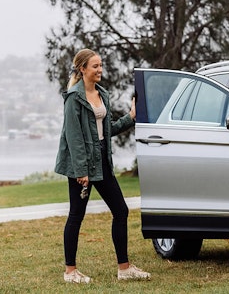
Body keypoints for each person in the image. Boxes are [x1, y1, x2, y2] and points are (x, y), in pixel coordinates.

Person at [55, 48, 150, 283]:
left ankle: (124, 268)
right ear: (82, 69)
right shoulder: (74, 98)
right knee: (76, 215)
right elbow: (74, 138)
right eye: (95, 66)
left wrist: (131, 117)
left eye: (101, 65)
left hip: (102, 161)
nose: (100, 70)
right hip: (82, 164)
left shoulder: (102, 94)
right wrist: (81, 171)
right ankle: (70, 272)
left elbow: (107, 131)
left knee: (121, 211)